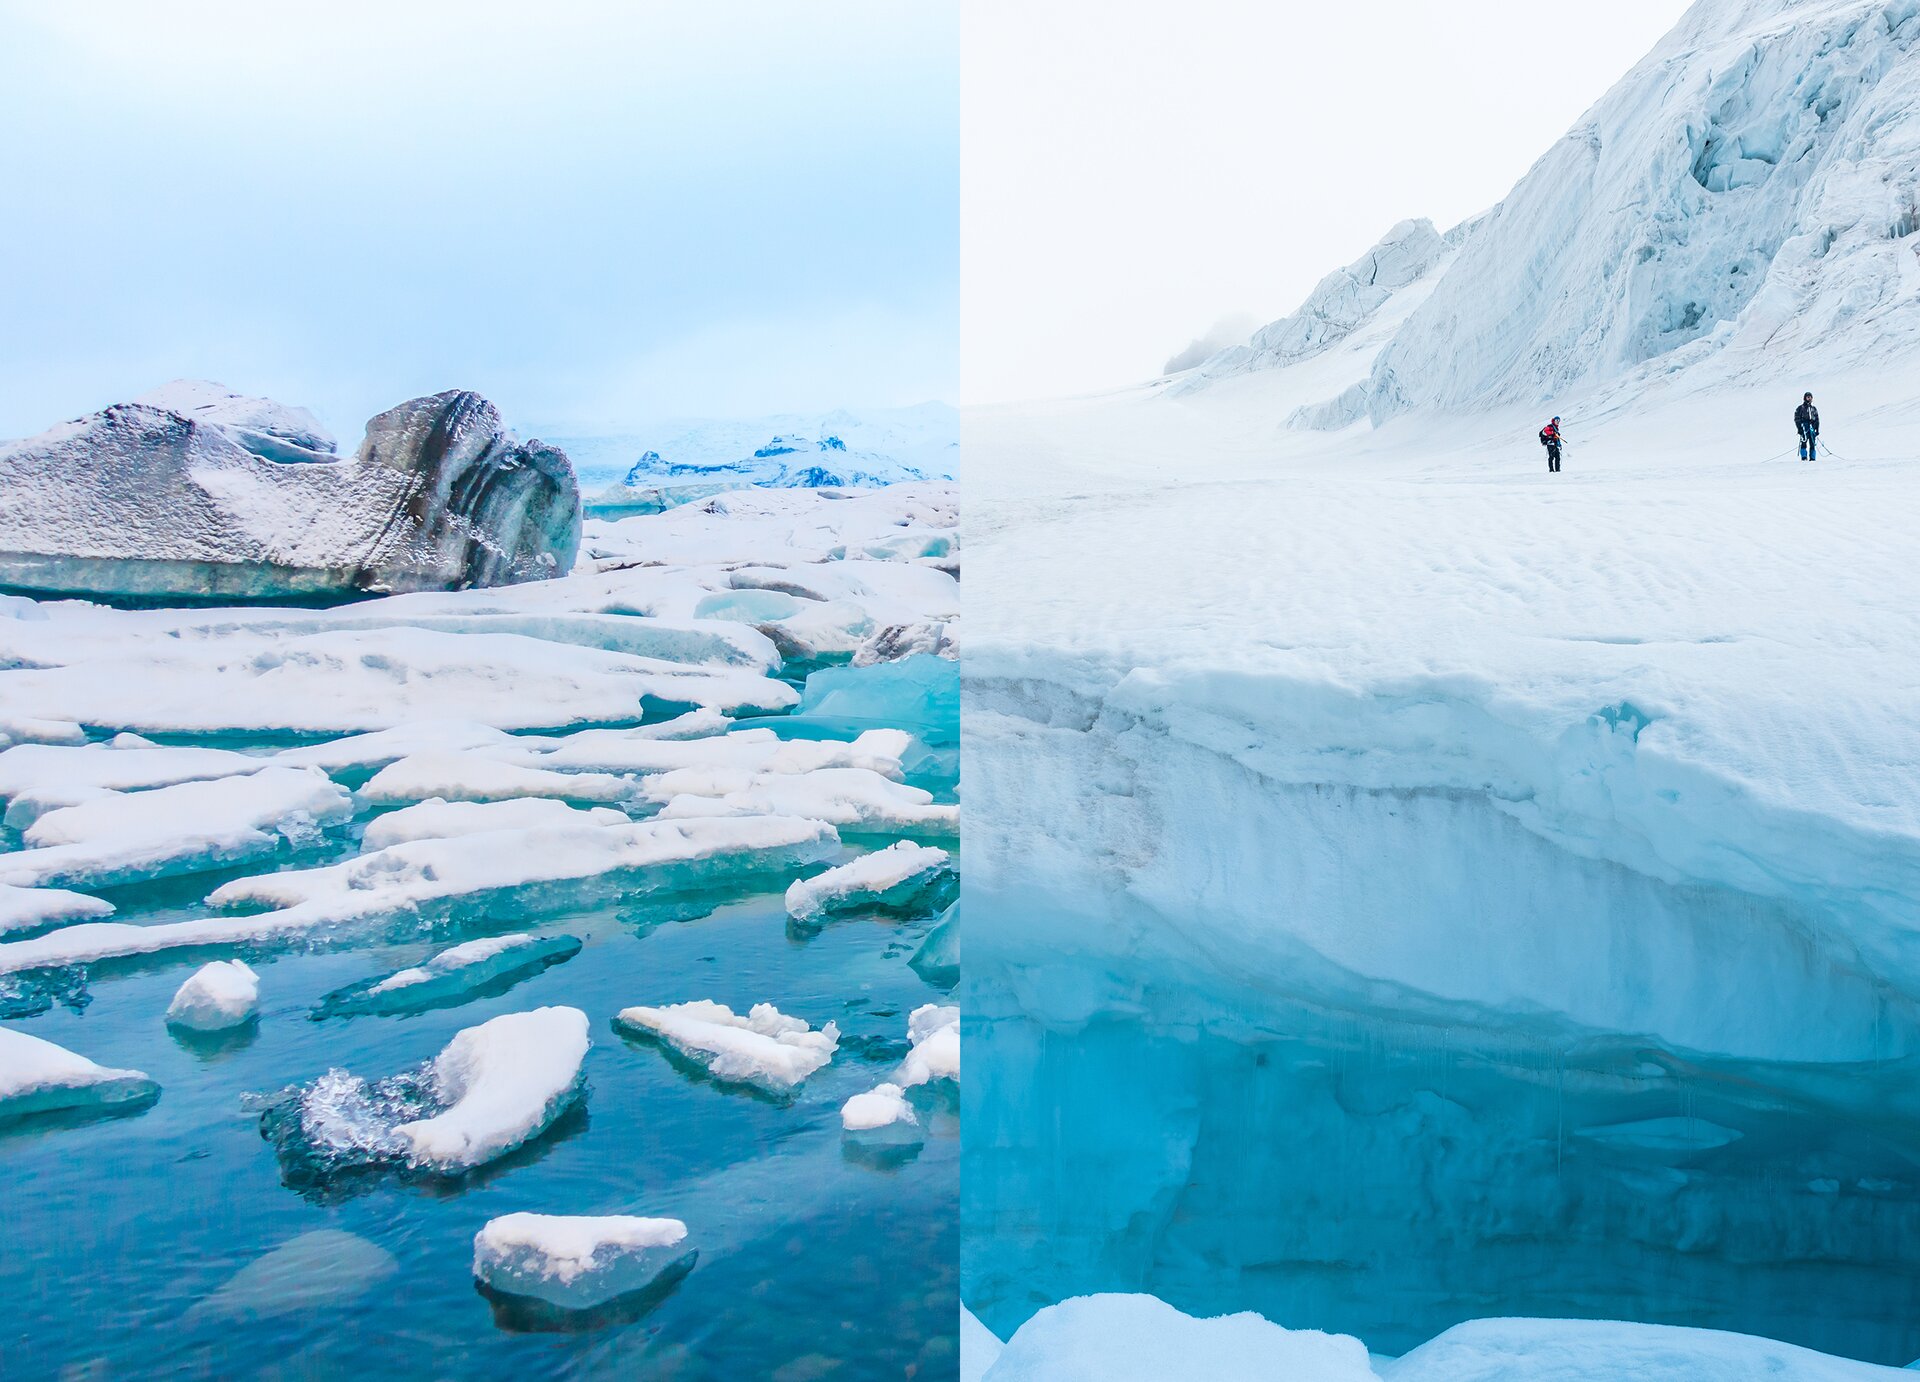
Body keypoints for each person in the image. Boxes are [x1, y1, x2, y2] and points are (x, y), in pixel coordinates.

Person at [1795, 392, 1820, 462]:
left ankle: (1812, 458)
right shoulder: (1800, 408)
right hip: (1804, 427)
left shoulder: (1813, 408)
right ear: (1805, 398)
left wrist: (1817, 429)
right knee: (1803, 443)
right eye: (1808, 397)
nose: (1809, 398)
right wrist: (1799, 428)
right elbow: (1797, 419)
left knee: (1812, 444)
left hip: (1812, 428)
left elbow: (1817, 419)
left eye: (1810, 397)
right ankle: (1804, 458)